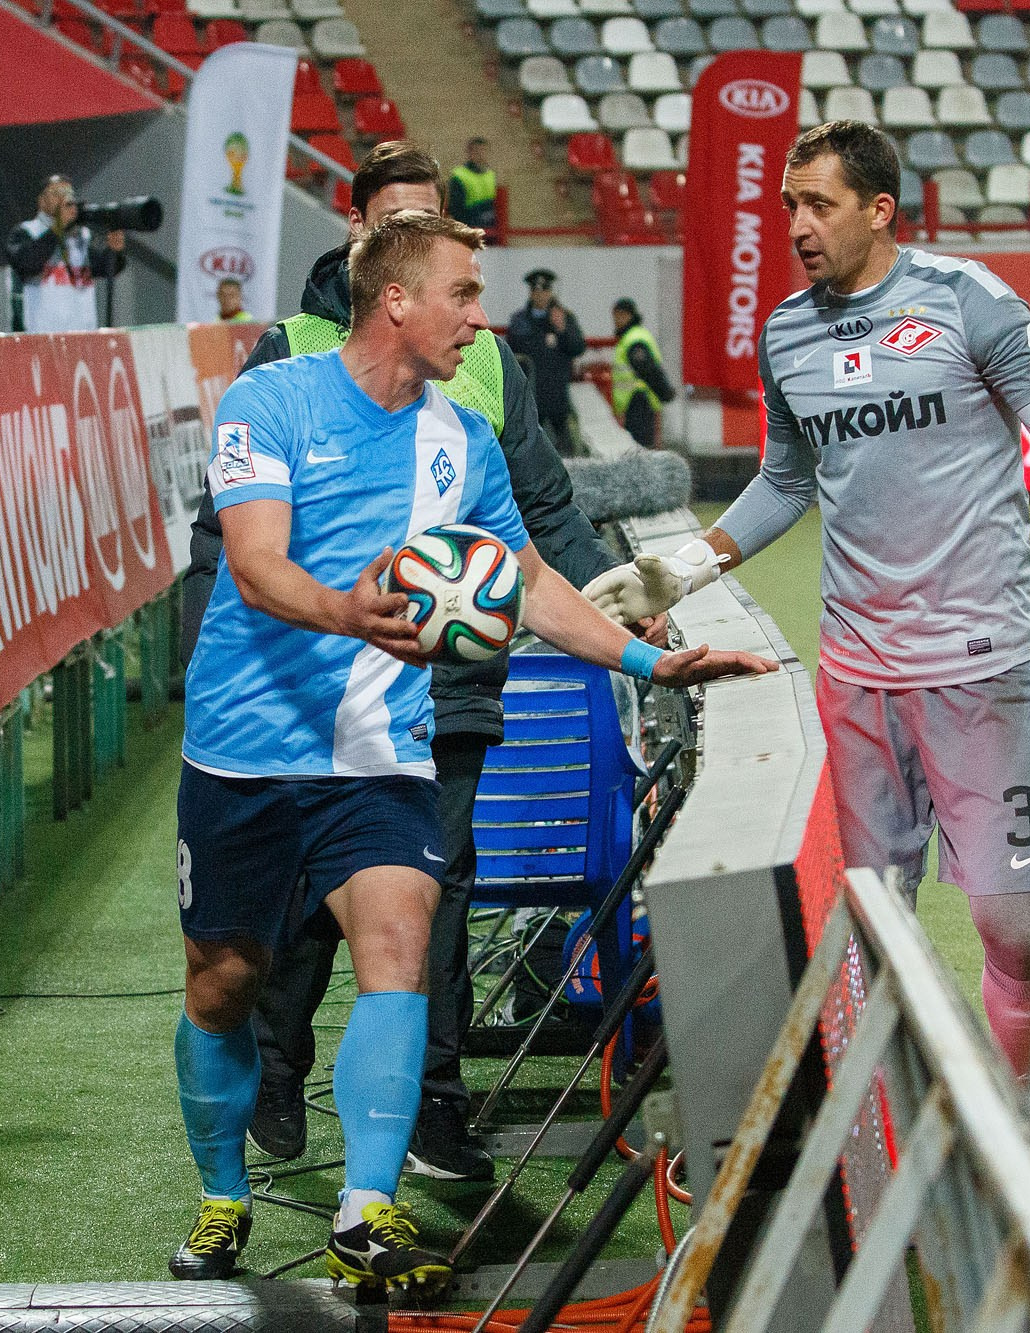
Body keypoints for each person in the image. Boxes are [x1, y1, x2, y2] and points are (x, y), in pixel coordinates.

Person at [169, 208, 772, 1287]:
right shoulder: (271, 400)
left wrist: (644, 662)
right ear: (394, 299)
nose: (478, 318)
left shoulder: (461, 437)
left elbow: (531, 580)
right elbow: (254, 564)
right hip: (246, 749)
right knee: (221, 982)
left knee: (399, 946)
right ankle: (221, 1195)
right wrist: (349, 613)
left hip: (380, 751)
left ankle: (365, 1209)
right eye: (461, 294)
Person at [584, 121, 1030, 1185]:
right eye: (789, 205)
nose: (797, 225)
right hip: (857, 671)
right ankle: (885, 1139)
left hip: (983, 666)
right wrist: (685, 568)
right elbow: (785, 480)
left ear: (878, 210)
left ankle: (1016, 1113)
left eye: (817, 204)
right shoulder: (786, 333)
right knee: (867, 923)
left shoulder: (968, 300)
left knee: (1009, 926)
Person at [179, 140, 652, 1187]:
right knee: (267, 939)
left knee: (415, 918)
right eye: (393, 221)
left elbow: (536, 520)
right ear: (368, 252)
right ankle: (269, 1079)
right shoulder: (283, 363)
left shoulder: (477, 378)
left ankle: (411, 1139)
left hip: (434, 692)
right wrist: (295, 614)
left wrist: (635, 636)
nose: (476, 309)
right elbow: (242, 548)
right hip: (284, 702)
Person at [6, 174, 126, 333]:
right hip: (40, 338)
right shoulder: (26, 232)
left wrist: (115, 251)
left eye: (68, 194)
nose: (65, 199)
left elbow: (107, 269)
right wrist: (57, 229)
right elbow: (27, 264)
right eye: (57, 194)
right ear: (41, 201)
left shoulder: (83, 236)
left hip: (83, 337)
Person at [507, 268, 584, 454]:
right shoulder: (520, 321)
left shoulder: (564, 318)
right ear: (531, 293)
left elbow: (578, 348)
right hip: (531, 396)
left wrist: (563, 329)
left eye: (544, 291)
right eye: (536, 291)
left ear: (550, 292)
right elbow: (513, 355)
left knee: (567, 450)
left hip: (558, 397)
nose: (540, 296)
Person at [609, 297, 675, 450]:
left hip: (638, 402)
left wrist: (665, 393)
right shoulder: (634, 336)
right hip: (637, 402)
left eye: (618, 315)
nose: (615, 320)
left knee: (640, 451)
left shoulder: (634, 339)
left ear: (627, 315)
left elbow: (647, 369)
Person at [446, 136, 496, 233]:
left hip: (489, 229)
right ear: (469, 152)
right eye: (477, 151)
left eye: (484, 151)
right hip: (468, 228)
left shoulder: (491, 175)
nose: (481, 154)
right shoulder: (459, 175)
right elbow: (455, 209)